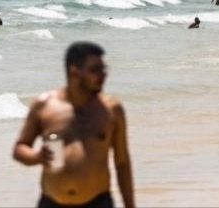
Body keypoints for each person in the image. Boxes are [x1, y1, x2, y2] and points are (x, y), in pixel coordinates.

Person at [12, 42, 134, 208]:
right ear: (74, 71)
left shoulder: (112, 110)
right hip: (51, 202)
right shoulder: (44, 105)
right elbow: (20, 148)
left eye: (103, 69)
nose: (103, 75)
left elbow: (122, 163)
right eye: (95, 70)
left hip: (98, 202)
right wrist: (37, 157)